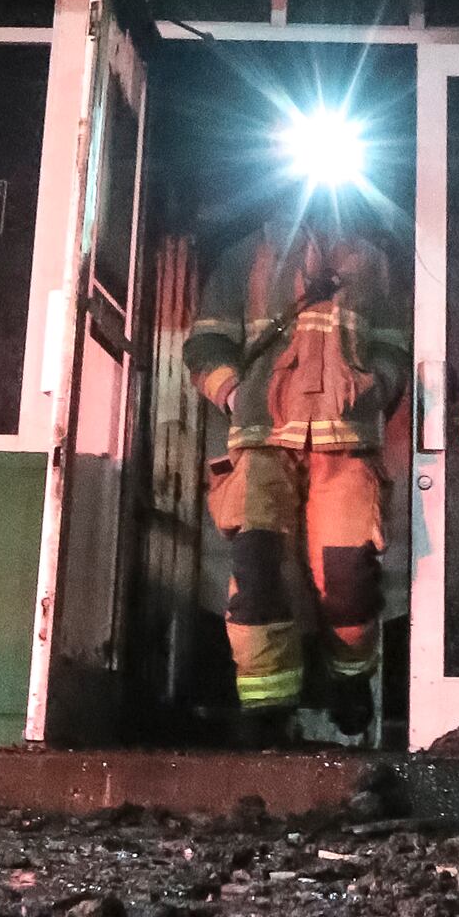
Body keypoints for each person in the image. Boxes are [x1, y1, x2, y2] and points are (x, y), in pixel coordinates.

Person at [184, 202, 407, 744]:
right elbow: (205, 345)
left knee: (349, 577)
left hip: (346, 445)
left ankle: (351, 680)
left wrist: (374, 387)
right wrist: (237, 394)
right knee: (258, 573)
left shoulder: (372, 263)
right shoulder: (244, 259)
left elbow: (396, 347)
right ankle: (266, 714)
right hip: (262, 445)